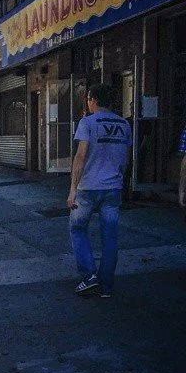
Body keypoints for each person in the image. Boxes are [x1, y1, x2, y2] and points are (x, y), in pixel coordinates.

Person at [67, 84, 132, 298]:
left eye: (87, 99)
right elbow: (125, 159)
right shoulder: (124, 124)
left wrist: (72, 190)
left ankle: (89, 276)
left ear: (93, 99)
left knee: (77, 229)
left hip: (87, 188)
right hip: (113, 188)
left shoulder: (87, 123)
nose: (87, 102)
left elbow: (80, 157)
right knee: (110, 236)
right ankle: (106, 287)